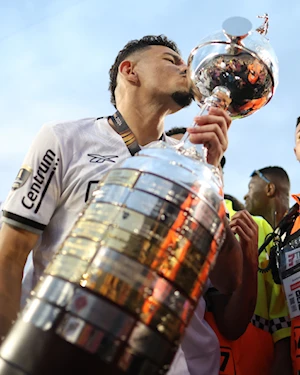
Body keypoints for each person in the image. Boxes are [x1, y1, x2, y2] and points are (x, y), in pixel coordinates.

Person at [0, 35, 252, 374]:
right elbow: (10, 254)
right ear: (129, 71)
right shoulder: (65, 139)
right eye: (171, 59)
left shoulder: (190, 165)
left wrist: (209, 177)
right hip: (61, 351)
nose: (186, 68)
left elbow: (227, 279)